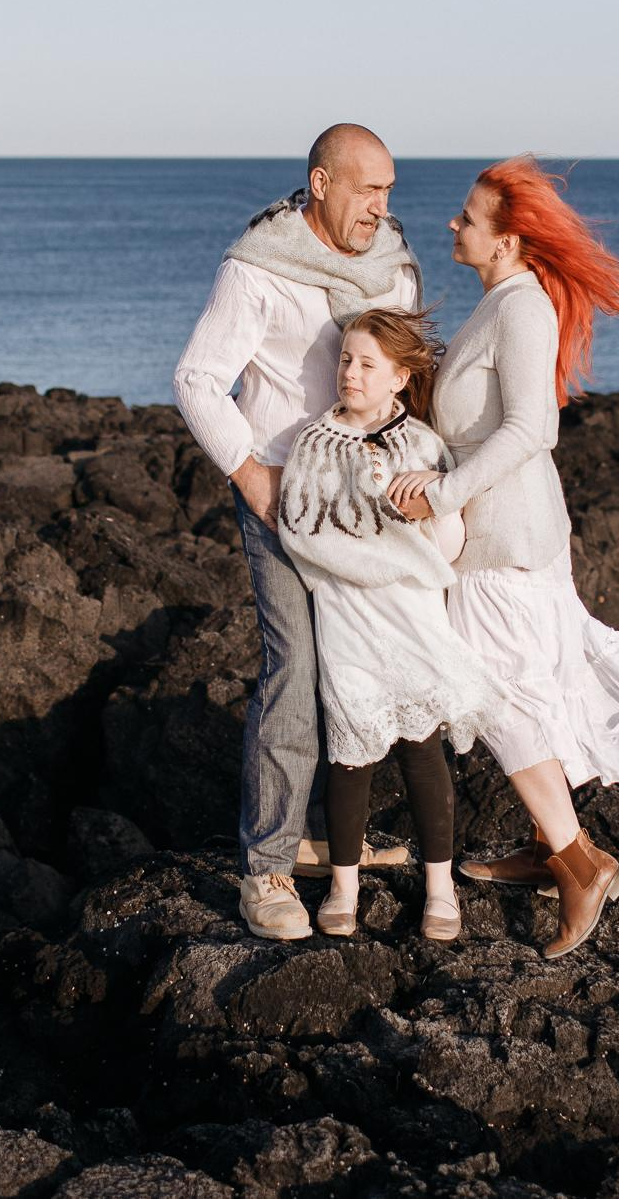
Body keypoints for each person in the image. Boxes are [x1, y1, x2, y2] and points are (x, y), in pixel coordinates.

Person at [388, 156, 619, 958]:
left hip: (507, 539)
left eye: (467, 217)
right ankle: (545, 841)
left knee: (493, 692)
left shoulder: (521, 307)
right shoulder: (498, 302)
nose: (452, 226)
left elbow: (534, 428)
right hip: (496, 538)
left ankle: (580, 863)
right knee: (520, 687)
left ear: (508, 237)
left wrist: (444, 491)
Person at [173, 124, 423, 941]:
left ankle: (340, 842)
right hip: (282, 500)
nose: (382, 207)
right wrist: (252, 474)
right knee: (297, 666)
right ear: (320, 184)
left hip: (367, 505)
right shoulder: (259, 266)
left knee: (368, 665)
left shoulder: (392, 262)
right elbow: (197, 379)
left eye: (389, 189)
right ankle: (268, 865)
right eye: (367, 190)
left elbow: (408, 375)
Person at [276, 307, 498, 943]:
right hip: (346, 618)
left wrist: (421, 518)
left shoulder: (425, 445)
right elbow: (301, 532)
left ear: (401, 377)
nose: (350, 372)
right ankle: (343, 887)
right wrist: (384, 559)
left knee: (421, 750)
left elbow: (448, 540)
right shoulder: (314, 442)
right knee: (351, 753)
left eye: (368, 364)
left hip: (413, 617)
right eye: (346, 359)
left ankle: (439, 886)